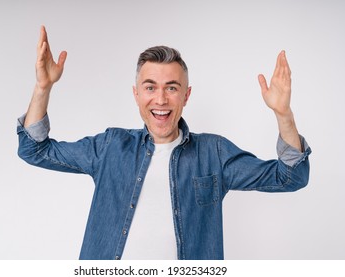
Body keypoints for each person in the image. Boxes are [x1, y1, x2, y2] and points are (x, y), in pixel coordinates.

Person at [17, 26, 311, 260]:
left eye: (172, 88)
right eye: (150, 87)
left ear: (186, 95)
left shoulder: (214, 153)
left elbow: (290, 177)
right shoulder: (109, 147)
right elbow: (34, 150)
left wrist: (283, 114)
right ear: (136, 94)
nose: (160, 99)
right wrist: (43, 87)